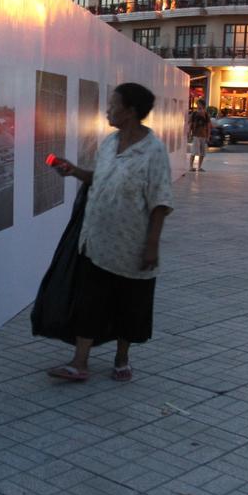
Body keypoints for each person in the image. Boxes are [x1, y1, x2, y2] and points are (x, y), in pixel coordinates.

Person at [46, 82, 173, 382]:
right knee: (89, 302)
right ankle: (80, 363)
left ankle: (122, 357)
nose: (107, 110)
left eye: (113, 105)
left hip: (131, 246)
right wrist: (74, 170)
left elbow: (160, 201)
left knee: (128, 304)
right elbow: (99, 178)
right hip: (97, 241)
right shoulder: (109, 143)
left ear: (129, 111)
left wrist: (152, 245)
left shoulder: (153, 151)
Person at [188, 98, 211, 172]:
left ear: (203, 106)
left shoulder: (206, 115)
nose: (198, 106)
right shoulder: (194, 114)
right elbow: (190, 124)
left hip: (203, 136)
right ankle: (191, 167)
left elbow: (208, 126)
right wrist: (189, 134)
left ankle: (199, 167)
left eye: (199, 105)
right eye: (197, 105)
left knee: (202, 153)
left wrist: (208, 136)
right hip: (196, 135)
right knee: (194, 152)